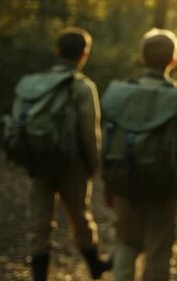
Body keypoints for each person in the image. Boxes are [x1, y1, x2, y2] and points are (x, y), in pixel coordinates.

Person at [101, 29, 177, 281]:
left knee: (125, 243)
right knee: (158, 250)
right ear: (173, 60)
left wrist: (108, 183)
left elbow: (109, 140)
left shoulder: (120, 92)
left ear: (141, 57)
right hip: (162, 185)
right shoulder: (175, 95)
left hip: (124, 180)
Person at [19, 27, 111, 280]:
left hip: (39, 158)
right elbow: (90, 133)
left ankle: (39, 275)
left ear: (56, 50)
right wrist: (93, 165)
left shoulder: (36, 83)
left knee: (39, 219)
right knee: (80, 214)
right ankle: (94, 265)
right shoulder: (83, 86)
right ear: (84, 55)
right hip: (72, 163)